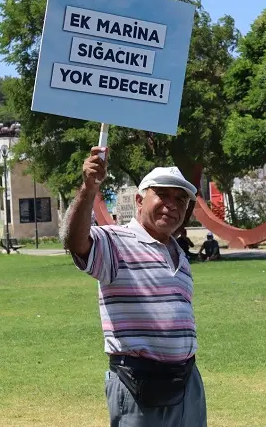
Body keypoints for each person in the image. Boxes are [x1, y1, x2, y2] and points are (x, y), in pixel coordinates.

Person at [63, 147, 207, 427]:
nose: (172, 204)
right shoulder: (115, 242)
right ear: (140, 200)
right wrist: (88, 189)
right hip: (139, 385)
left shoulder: (178, 253)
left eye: (180, 199)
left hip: (188, 382)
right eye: (162, 195)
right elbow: (76, 242)